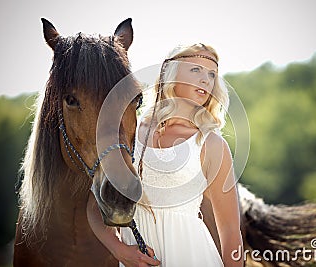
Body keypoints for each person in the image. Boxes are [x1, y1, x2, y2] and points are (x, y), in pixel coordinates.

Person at [87, 43, 244, 267]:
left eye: (212, 74)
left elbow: (230, 231)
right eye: (195, 70)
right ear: (170, 74)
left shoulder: (212, 144)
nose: (205, 79)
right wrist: (120, 250)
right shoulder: (132, 131)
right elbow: (94, 204)